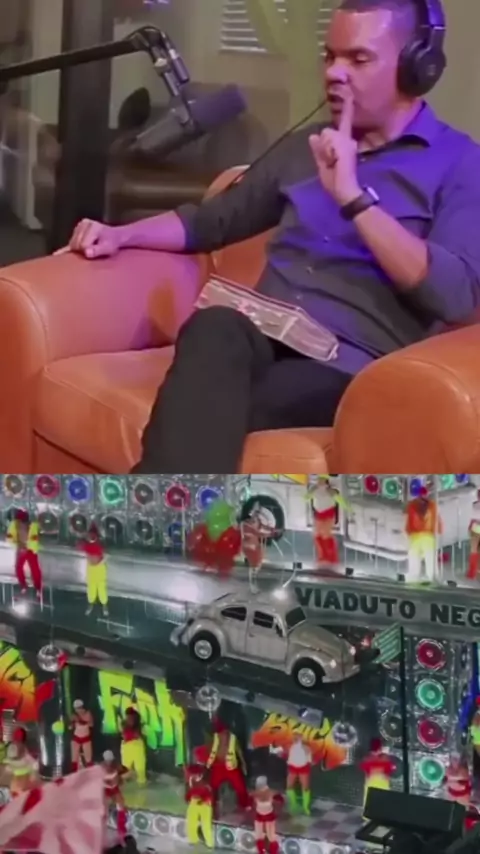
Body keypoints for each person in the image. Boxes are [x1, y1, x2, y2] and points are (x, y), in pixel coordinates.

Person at [63, 0, 480, 473]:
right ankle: (164, 513)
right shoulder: (304, 148)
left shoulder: (461, 164)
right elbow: (213, 221)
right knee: (213, 327)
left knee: (200, 410)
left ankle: (146, 508)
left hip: (343, 370)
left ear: (416, 66)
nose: (335, 73)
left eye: (358, 59)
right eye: (330, 56)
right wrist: (121, 235)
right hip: (260, 340)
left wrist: (353, 198)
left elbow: (455, 295)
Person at [205, 718, 249, 812]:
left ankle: (244, 804)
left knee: (240, 786)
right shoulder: (215, 737)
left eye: (224, 732)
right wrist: (208, 763)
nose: (223, 734)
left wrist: (243, 764)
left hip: (231, 765)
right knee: (213, 786)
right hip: (218, 765)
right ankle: (212, 803)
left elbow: (239, 751)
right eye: (221, 732)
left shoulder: (233, 738)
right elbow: (210, 749)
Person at [404, 486, 442, 583]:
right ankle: (432, 579)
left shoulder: (412, 505)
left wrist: (408, 532)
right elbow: (437, 519)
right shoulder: (432, 505)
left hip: (415, 537)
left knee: (414, 561)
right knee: (430, 560)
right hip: (428, 536)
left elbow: (409, 521)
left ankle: (413, 580)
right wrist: (439, 530)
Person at [6, 510, 42, 596]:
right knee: (19, 568)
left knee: (35, 569)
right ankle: (24, 586)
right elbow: (9, 538)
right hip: (22, 549)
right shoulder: (14, 525)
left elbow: (35, 538)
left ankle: (37, 588)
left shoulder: (33, 526)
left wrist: (26, 546)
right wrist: (19, 545)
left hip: (31, 550)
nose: (20, 523)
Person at [77, 523, 109, 616]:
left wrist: (101, 562)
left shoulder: (100, 544)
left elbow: (106, 555)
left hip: (99, 569)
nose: (90, 537)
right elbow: (79, 546)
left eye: (92, 535)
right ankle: (91, 603)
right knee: (91, 587)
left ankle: (104, 605)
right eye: (89, 535)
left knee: (101, 587)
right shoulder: (86, 544)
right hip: (91, 568)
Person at [185, 751, 214, 849]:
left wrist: (202, 800)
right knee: (191, 821)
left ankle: (209, 843)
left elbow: (209, 794)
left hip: (205, 804)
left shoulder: (206, 780)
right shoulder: (191, 780)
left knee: (206, 824)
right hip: (194, 802)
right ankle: (193, 840)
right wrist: (188, 798)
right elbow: (190, 791)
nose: (192, 776)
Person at [252, 776, 283, 854]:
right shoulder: (255, 794)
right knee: (259, 836)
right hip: (259, 817)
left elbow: (280, 800)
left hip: (269, 817)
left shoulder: (271, 792)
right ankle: (261, 852)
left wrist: (276, 805)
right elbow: (250, 802)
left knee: (271, 836)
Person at [101, 749, 128, 835]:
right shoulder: (101, 768)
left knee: (121, 804)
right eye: (108, 760)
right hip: (106, 790)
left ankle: (121, 827)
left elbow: (126, 771)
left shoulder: (116, 766)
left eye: (110, 760)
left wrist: (121, 779)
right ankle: (101, 827)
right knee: (104, 807)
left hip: (114, 789)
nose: (109, 762)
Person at [120, 707, 147, 785]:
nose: (129, 718)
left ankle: (141, 784)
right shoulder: (123, 723)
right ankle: (125, 783)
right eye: (128, 716)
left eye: (131, 716)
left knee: (140, 768)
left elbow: (137, 735)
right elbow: (125, 736)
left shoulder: (138, 724)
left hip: (137, 746)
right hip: (127, 747)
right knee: (125, 768)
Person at [70, 698, 94, 771]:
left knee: (88, 759)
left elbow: (91, 724)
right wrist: (72, 723)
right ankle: (74, 773)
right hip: (76, 738)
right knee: (74, 759)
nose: (77, 710)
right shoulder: (74, 715)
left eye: (78, 708)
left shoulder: (88, 713)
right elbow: (70, 727)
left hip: (86, 738)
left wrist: (81, 721)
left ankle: (91, 773)